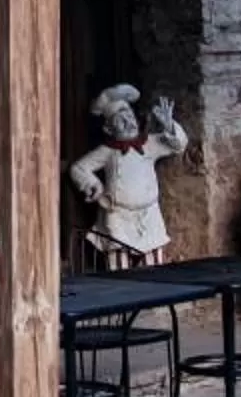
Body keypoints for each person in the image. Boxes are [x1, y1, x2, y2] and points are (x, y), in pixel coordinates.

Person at [67, 83, 188, 263]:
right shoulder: (107, 151)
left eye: (129, 116)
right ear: (108, 129)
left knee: (154, 265)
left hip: (148, 217)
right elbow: (79, 168)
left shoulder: (150, 144)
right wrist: (93, 185)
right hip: (117, 217)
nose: (127, 122)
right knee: (119, 266)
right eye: (119, 119)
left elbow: (178, 146)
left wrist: (169, 126)